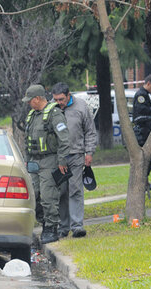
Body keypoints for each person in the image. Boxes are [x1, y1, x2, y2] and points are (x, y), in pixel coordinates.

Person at [23, 84, 71, 244]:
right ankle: (44, 221)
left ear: (37, 98)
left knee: (48, 196)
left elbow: (64, 139)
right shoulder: (32, 115)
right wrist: (26, 158)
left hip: (50, 161)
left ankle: (51, 228)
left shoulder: (54, 114)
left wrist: (62, 161)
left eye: (30, 100)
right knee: (34, 195)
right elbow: (27, 139)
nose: (28, 103)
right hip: (34, 162)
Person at [51, 82, 97, 239]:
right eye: (56, 99)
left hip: (76, 154)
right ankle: (63, 227)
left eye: (61, 99)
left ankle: (77, 226)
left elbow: (90, 131)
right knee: (62, 192)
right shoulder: (51, 108)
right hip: (58, 158)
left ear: (68, 95)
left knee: (75, 190)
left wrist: (89, 152)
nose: (59, 103)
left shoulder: (81, 106)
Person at [132, 74, 151, 190]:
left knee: (150, 157)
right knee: (148, 157)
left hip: (146, 129)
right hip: (143, 131)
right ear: (148, 83)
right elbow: (141, 110)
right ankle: (143, 182)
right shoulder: (141, 95)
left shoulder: (145, 95)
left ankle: (145, 182)